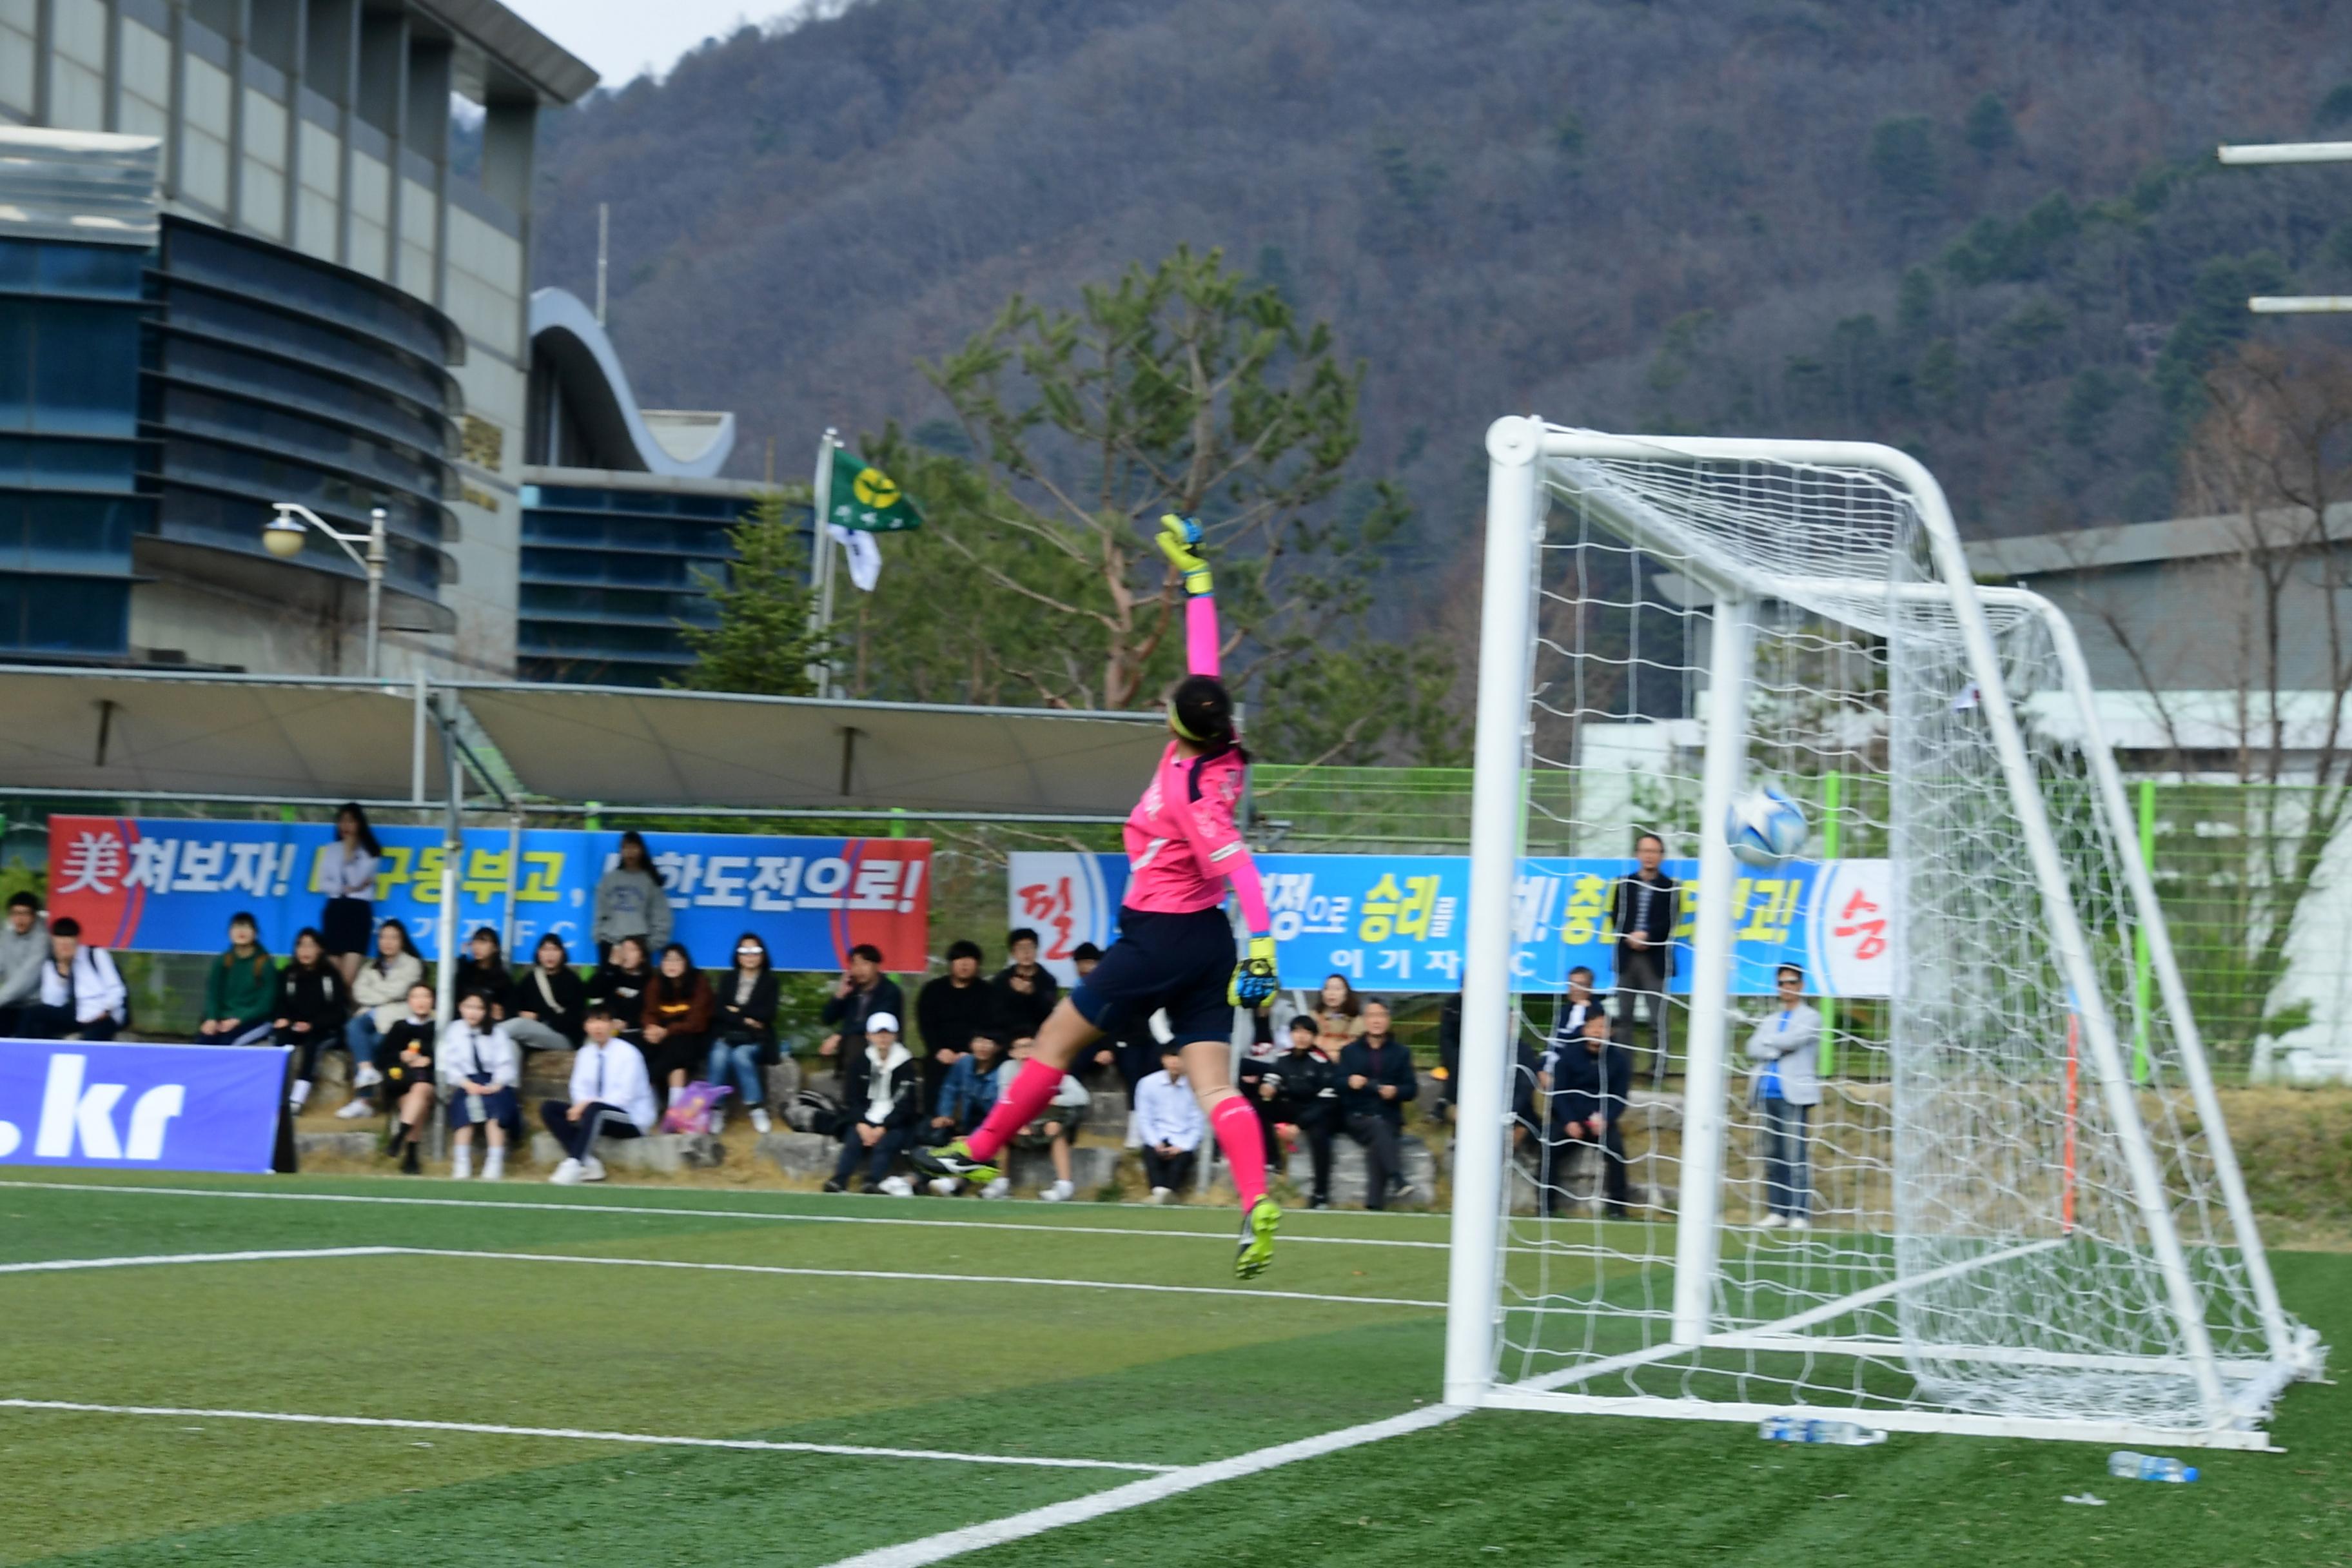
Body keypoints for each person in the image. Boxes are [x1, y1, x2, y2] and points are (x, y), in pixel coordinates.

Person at [914, 515, 1287, 1277]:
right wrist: (1199, 578)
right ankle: (1256, 1202)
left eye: (1168, 703)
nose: (1164, 702)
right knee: (1215, 1083)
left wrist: (1269, 946)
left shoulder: (1191, 790)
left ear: (1178, 724)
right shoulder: (1219, 749)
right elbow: (1206, 665)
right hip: (1206, 939)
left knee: (1053, 1040)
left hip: (1161, 936)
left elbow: (1242, 864)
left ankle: (981, 1154)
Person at [544, 1006, 659, 1185]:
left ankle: (575, 1162)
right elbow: (578, 1088)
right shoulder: (585, 1053)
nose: (598, 1027)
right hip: (594, 1114)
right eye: (592, 1022)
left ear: (612, 1025)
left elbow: (624, 1098)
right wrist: (580, 1106)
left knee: (596, 1110)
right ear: (585, 1026)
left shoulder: (628, 1053)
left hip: (630, 1118)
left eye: (603, 1021)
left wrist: (587, 1104)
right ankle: (590, 1163)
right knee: (549, 1109)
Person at [1748, 963, 1823, 1231]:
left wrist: (1771, 1043)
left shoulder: (1811, 1017)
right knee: (1772, 1155)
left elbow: (1794, 1041)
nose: (1787, 987)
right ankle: (1777, 1211)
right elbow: (1752, 1047)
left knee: (1795, 1156)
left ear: (1801, 986)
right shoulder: (1770, 1020)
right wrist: (1774, 1046)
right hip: (1766, 1093)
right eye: (1782, 983)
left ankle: (1800, 1213)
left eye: (1792, 982)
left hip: (1794, 1096)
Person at [1544, 1010, 1634, 1219]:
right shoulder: (1568, 1057)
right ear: (1585, 1029)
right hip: (1571, 1121)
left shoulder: (1618, 1061)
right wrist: (1569, 1121)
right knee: (1549, 1148)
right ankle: (1546, 1206)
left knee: (1617, 1153)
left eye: (1603, 1027)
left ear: (1610, 1032)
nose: (1597, 1032)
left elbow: (1619, 1097)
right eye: (1593, 1027)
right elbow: (1558, 1093)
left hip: (1601, 1122)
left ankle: (1617, 1208)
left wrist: (1607, 1119)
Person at [1336, 998, 1417, 1210]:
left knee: (1379, 1139)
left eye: (1381, 1015)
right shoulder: (1350, 1051)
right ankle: (1398, 1178)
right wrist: (1349, 1082)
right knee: (1378, 1129)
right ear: (1364, 1020)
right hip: (1357, 1116)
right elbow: (1336, 1082)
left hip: (1388, 1115)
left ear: (1388, 1019)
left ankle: (1374, 1204)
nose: (1376, 1021)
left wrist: (1396, 1091)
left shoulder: (1401, 1053)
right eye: (1372, 1016)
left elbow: (1412, 1089)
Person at [1611, 831, 1678, 1084]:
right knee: (1624, 1017)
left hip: (1655, 960)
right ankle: (1624, 1069)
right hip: (1627, 957)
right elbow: (1615, 915)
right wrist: (1630, 935)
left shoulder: (1671, 887)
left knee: (1657, 1017)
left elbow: (1671, 921)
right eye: (1645, 851)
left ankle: (1658, 1070)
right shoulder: (1624, 884)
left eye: (1655, 851)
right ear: (1638, 854)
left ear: (1661, 856)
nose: (1649, 856)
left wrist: (1646, 935)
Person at [827, 1012, 917, 1195]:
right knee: (853, 1140)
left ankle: (872, 1181)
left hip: (895, 1120)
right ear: (869, 1036)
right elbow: (852, 1099)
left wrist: (883, 1127)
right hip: (866, 1116)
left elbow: (906, 1103)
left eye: (888, 1033)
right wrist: (862, 1124)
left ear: (895, 1035)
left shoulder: (905, 1064)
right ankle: (839, 1180)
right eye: (878, 1033)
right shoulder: (859, 1062)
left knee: (886, 1143)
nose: (883, 1038)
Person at [340, 917, 423, 1118]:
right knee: (353, 1026)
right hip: (370, 1015)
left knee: (374, 1043)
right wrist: (387, 996)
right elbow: (359, 992)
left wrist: (377, 996)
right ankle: (367, 1073)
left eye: (393, 938)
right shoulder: (370, 966)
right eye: (383, 937)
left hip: (396, 1019)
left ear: (402, 941)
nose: (387, 942)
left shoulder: (413, 964)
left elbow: (401, 990)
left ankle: (363, 1101)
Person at [438, 989, 517, 1181]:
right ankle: (462, 1161)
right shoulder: (454, 1031)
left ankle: (495, 1161)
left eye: (479, 1008)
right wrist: (466, 1084)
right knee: (463, 1111)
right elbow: (449, 1063)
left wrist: (496, 1084)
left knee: (496, 1111)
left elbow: (505, 1064)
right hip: (466, 1082)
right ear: (461, 1008)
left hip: (493, 1082)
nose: (473, 1013)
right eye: (468, 1007)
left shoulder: (497, 1033)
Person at [707, 932, 781, 1135]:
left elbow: (767, 1014)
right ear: (738, 955)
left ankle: (756, 1108)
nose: (750, 955)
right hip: (726, 1034)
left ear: (763, 955)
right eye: (745, 951)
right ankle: (717, 1109)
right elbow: (718, 1010)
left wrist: (736, 1011)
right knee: (719, 1056)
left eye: (755, 951)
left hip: (755, 1039)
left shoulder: (770, 982)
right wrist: (746, 1019)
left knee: (740, 1056)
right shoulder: (728, 979)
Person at [1264, 1014, 1338, 1209]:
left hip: (1316, 1110)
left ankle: (1320, 1194)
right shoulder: (1282, 1057)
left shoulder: (1322, 1061)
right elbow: (1272, 1079)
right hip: (1291, 1106)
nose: (1301, 1036)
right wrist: (1267, 1088)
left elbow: (1326, 1101)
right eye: (1297, 1031)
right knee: (1258, 1106)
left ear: (1314, 1036)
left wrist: (1298, 1126)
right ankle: (1273, 1160)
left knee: (1320, 1135)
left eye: (1307, 1032)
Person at [275, 926, 352, 1112]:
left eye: (311, 946)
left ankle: (297, 1099)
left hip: (324, 1030)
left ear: (320, 949)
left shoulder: (330, 976)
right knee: (281, 1040)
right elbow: (280, 1003)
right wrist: (284, 1019)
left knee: (312, 1045)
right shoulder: (289, 974)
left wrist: (313, 1025)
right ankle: (278, 1093)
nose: (305, 951)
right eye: (301, 946)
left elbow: (338, 1012)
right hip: (296, 1027)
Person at [1007, 1033, 1092, 1201]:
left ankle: (1064, 1186)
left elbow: (1082, 1097)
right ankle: (999, 1184)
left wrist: (1055, 1100)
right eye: (1020, 1048)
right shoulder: (1007, 1072)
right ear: (1013, 1053)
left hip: (1048, 1124)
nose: (1025, 1052)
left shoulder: (1053, 1072)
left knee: (1057, 1132)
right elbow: (1004, 1102)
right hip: (1021, 1126)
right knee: (997, 1133)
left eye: (1030, 1047)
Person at [916, 939, 995, 1111]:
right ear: (951, 963)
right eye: (959, 959)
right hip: (941, 1052)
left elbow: (991, 1026)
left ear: (978, 964)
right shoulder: (933, 990)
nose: (964, 964)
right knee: (934, 1071)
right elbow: (926, 1025)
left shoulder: (988, 992)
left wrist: (971, 1052)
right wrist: (938, 1050)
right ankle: (934, 1124)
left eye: (970, 959)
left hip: (977, 1053)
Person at [925, 1030, 1007, 1189]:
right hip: (965, 1119)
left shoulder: (1003, 1070)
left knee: (977, 1144)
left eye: (988, 1042)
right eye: (979, 1041)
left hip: (989, 1123)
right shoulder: (964, 1063)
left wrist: (972, 1136)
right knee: (934, 1131)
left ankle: (957, 1182)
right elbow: (950, 1088)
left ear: (997, 1047)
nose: (983, 1047)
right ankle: (918, 1179)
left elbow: (999, 1108)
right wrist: (945, 1114)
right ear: (971, 1044)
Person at [21, 916, 126, 1041]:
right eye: (60, 939)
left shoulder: (95, 954)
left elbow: (116, 989)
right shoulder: (51, 964)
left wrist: (106, 1010)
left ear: (77, 939)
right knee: (33, 1014)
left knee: (91, 1038)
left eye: (69, 938)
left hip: (103, 1014)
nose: (64, 943)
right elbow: (52, 1001)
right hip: (75, 1013)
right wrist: (63, 971)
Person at [375, 981, 440, 1175]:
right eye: (416, 997)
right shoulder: (399, 1026)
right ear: (409, 1001)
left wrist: (429, 1060)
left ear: (433, 1001)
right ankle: (411, 1156)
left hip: (428, 1079)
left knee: (420, 1090)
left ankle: (400, 1137)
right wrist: (401, 1056)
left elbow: (449, 1056)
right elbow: (382, 1057)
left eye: (426, 997)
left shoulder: (438, 1027)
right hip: (402, 1079)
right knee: (414, 1100)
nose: (421, 1001)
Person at [316, 803, 380, 988]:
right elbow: (323, 884)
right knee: (333, 978)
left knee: (347, 980)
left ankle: (346, 1015)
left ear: (360, 824)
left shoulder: (371, 851)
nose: (345, 826)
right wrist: (345, 888)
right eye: (342, 821)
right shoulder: (332, 849)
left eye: (351, 821)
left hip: (358, 911)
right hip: (335, 909)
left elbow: (356, 879)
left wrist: (350, 853)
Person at [640, 941, 713, 1104]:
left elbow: (697, 1022)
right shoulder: (656, 983)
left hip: (693, 1034)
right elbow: (649, 1012)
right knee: (646, 1045)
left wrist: (667, 1031)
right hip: (663, 1032)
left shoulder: (699, 982)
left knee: (677, 1046)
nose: (671, 965)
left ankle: (671, 1101)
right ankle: (657, 1103)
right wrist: (651, 1028)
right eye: (667, 960)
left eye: (677, 960)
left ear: (686, 963)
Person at [1133, 1045, 1206, 1202]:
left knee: (1181, 1161)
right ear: (1163, 1059)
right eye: (1171, 1057)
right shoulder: (1147, 1084)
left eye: (1180, 1057)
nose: (1175, 1062)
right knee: (1150, 1154)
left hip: (1182, 1140)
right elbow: (1145, 1119)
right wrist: (1155, 1142)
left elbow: (1198, 1123)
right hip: (1158, 1137)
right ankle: (1161, 1193)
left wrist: (1182, 1146)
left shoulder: (1195, 1086)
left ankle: (1164, 1193)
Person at [197, 912, 277, 1046]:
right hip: (223, 1019)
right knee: (203, 1043)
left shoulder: (264, 963)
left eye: (246, 927)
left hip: (253, 1021)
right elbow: (213, 994)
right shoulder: (224, 960)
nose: (241, 931)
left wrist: (239, 1019)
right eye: (236, 927)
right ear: (229, 933)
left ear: (255, 933)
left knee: (228, 1045)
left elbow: (266, 1003)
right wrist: (212, 1018)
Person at [593, 830, 672, 961]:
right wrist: (600, 939)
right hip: (611, 943)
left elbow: (662, 918)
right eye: (625, 847)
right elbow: (599, 913)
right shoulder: (609, 879)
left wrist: (648, 946)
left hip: (639, 945)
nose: (629, 852)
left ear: (641, 850)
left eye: (633, 847)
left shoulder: (650, 881)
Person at [818, 943, 904, 1062]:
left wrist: (839, 1035)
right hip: (851, 1046)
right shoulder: (852, 990)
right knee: (851, 1042)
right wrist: (840, 995)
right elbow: (827, 1019)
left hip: (882, 1044)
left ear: (877, 966)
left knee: (855, 1040)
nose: (860, 969)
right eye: (855, 964)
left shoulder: (890, 991)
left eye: (865, 964)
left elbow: (874, 1022)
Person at [506, 933, 587, 1055]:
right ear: (539, 953)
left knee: (519, 1026)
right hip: (532, 1035)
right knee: (511, 1045)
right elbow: (512, 1005)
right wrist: (519, 1013)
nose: (550, 954)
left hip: (564, 1038)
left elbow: (574, 1021)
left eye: (555, 949)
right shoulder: (530, 979)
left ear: (562, 953)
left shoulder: (572, 981)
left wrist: (539, 1017)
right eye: (545, 950)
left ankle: (482, 1037)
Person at [990, 928, 1060, 1042]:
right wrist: (1014, 994)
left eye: (1030, 947)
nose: (1026, 953)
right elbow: (996, 1015)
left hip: (1039, 1038)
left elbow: (1049, 1015)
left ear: (1037, 950)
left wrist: (1032, 994)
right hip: (1008, 1039)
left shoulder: (1048, 979)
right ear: (1013, 953)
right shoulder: (1002, 979)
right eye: (1021, 948)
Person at [586, 935, 653, 1041]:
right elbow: (592, 992)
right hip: (607, 1030)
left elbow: (650, 1011)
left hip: (635, 1032)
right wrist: (611, 966)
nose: (626, 954)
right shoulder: (613, 975)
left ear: (643, 957)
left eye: (632, 950)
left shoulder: (650, 981)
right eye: (623, 949)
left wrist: (627, 1024)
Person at [0, 890, 48, 1036]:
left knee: (21, 1039)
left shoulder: (43, 940)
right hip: (9, 1003)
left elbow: (26, 978)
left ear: (34, 916)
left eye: (25, 914)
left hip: (35, 1005)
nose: (20, 919)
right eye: (16, 913)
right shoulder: (4, 937)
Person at [453, 927, 514, 1022]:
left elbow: (510, 1009)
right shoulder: (466, 971)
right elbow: (455, 997)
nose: (477, 947)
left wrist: (502, 1014)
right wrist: (462, 959)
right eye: (474, 942)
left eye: (483, 942)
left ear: (495, 948)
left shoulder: (503, 978)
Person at [1311, 973, 1364, 1057]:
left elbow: (1358, 1046)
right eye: (1327, 988)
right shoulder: (1313, 1017)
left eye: (1337, 989)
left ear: (1346, 994)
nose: (1331, 993)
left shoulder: (1357, 1020)